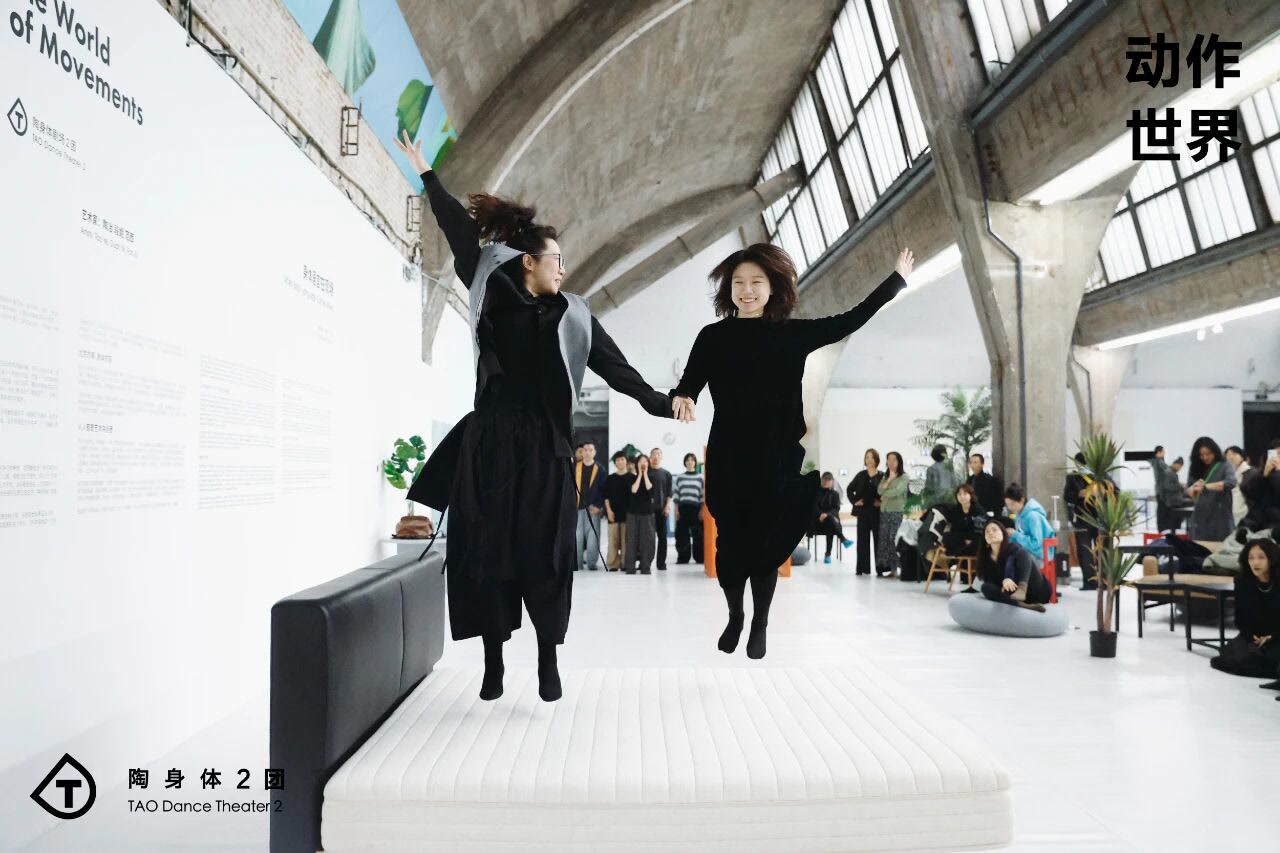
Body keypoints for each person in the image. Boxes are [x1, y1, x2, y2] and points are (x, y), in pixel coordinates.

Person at [399, 132, 682, 702]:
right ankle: (494, 662)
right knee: (487, 552)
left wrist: (662, 401)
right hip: (490, 444)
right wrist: (427, 174)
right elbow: (458, 228)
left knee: (547, 555)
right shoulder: (488, 283)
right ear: (528, 261)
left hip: (547, 449)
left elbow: (617, 369)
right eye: (557, 260)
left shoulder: (574, 315)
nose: (564, 269)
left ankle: (547, 660)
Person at [672, 243, 912, 658]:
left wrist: (896, 281)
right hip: (730, 457)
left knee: (765, 549)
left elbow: (851, 318)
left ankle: (760, 622)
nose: (747, 290)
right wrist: (682, 397)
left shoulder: (793, 333)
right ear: (729, 289)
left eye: (756, 282)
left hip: (777, 458)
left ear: (773, 288)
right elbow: (688, 383)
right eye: (739, 283)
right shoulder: (713, 337)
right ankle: (735, 615)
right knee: (730, 549)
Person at [1209, 540, 1280, 678]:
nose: (1255, 563)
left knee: (1272, 656)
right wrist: (1250, 635)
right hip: (1253, 637)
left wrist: (1272, 637)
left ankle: (1266, 667)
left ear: (1272, 559)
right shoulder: (1243, 582)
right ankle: (1268, 669)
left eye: (1261, 557)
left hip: (1277, 636)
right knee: (1229, 655)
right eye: (1251, 558)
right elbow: (1240, 619)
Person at [975, 519, 1052, 612]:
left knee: (1022, 553)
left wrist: (1008, 578)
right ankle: (1021, 605)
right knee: (985, 587)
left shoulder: (1013, 547)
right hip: (1013, 596)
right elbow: (990, 582)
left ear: (1003, 534)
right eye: (987, 532)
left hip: (1037, 590)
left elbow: (1010, 562)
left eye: (994, 530)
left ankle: (1022, 588)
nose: (991, 533)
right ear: (985, 539)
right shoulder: (985, 559)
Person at [1064, 452, 1104, 591]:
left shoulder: (1100, 475)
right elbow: (1067, 497)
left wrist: (1102, 492)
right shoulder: (1072, 477)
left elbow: (1115, 491)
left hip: (1101, 518)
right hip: (1082, 518)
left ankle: (1104, 580)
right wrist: (1078, 494)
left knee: (1102, 550)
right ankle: (1089, 582)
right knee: (1084, 550)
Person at [1186, 436, 1236, 542]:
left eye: (1208, 453)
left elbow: (1231, 482)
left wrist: (1206, 486)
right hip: (1199, 518)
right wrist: (1192, 489)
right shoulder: (1195, 467)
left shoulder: (1224, 465)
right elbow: (1189, 488)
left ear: (1215, 451)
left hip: (1220, 518)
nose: (1205, 457)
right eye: (1201, 455)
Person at [847, 449, 884, 577]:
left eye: (872, 457)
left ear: (876, 460)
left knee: (878, 541)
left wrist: (881, 502)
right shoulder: (861, 475)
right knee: (862, 541)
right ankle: (862, 569)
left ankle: (880, 569)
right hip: (863, 512)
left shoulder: (882, 476)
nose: (869, 460)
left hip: (876, 512)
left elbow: (887, 493)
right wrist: (855, 501)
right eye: (867, 457)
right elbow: (849, 489)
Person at [1003, 483, 1054, 568]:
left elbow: (1036, 544)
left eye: (1012, 504)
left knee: (1012, 561)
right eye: (1008, 505)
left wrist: (1015, 534)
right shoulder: (1019, 516)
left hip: (1040, 556)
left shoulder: (1033, 517)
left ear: (1022, 500)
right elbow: (1019, 537)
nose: (1010, 508)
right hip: (1028, 552)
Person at [624, 453, 658, 574]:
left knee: (647, 541)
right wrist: (639, 475)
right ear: (636, 464)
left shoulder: (652, 477)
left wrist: (645, 474)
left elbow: (650, 490)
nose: (643, 463)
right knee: (631, 540)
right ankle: (630, 567)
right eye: (640, 461)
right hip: (632, 513)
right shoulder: (630, 477)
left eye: (645, 461)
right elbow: (634, 490)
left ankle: (645, 567)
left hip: (647, 513)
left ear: (648, 464)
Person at [574, 441, 605, 571]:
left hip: (593, 509)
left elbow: (603, 490)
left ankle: (592, 563)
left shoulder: (600, 469)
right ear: (582, 452)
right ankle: (577, 563)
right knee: (577, 537)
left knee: (593, 537)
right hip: (576, 508)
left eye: (590, 450)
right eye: (585, 450)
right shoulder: (575, 467)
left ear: (594, 452)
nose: (587, 452)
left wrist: (598, 505)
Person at [876, 452, 909, 576]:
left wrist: (885, 493)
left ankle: (902, 568)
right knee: (885, 540)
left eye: (894, 460)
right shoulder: (886, 476)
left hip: (896, 511)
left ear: (899, 462)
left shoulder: (904, 477)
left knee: (893, 539)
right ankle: (892, 569)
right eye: (889, 459)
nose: (891, 462)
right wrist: (889, 479)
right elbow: (879, 490)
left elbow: (897, 491)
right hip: (884, 511)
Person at [673, 452, 705, 564]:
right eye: (688, 460)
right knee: (681, 535)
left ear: (695, 462)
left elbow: (703, 496)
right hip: (683, 508)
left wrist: (702, 510)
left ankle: (699, 558)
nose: (690, 462)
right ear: (685, 463)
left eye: (692, 460)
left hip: (696, 509)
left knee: (698, 535)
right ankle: (683, 558)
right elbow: (676, 495)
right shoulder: (680, 478)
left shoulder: (701, 477)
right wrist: (676, 510)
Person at [814, 472, 853, 563]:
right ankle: (842, 540)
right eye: (824, 479)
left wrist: (827, 515)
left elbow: (836, 508)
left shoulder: (835, 494)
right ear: (821, 480)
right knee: (831, 522)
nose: (826, 481)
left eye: (829, 479)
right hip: (818, 521)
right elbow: (813, 508)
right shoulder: (815, 493)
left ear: (832, 481)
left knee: (830, 522)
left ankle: (828, 554)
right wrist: (821, 514)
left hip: (831, 522)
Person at [603, 451, 631, 571]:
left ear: (626, 461)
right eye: (618, 460)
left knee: (626, 541)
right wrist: (609, 511)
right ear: (615, 463)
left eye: (622, 459)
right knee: (613, 540)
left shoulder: (632, 477)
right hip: (613, 513)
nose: (620, 462)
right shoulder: (610, 478)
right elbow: (606, 496)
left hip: (628, 514)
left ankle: (625, 563)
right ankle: (613, 564)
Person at [648, 448, 674, 571]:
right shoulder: (646, 472)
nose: (656, 456)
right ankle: (646, 562)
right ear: (650, 457)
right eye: (654, 454)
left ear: (661, 456)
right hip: (648, 511)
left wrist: (667, 506)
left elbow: (669, 492)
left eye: (658, 454)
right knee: (648, 538)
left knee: (662, 537)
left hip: (662, 510)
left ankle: (661, 563)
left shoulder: (667, 474)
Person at [1224, 446, 1254, 526]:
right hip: (1231, 516)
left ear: (1242, 457)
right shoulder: (1227, 476)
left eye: (1234, 454)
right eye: (1228, 455)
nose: (1230, 457)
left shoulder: (1251, 473)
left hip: (1247, 516)